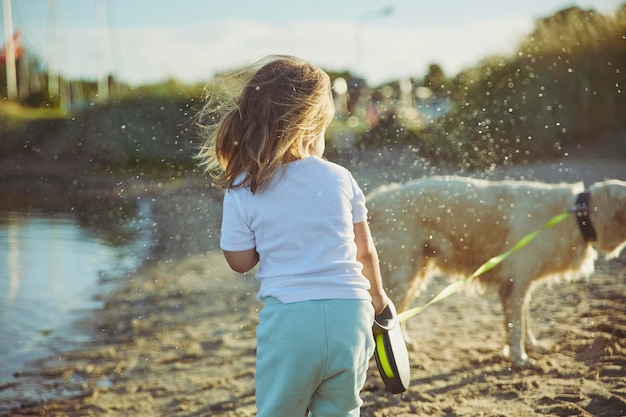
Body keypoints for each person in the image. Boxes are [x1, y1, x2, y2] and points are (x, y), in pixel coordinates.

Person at [196, 54, 388, 417]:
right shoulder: (340, 177)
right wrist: (379, 301)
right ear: (313, 125)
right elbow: (365, 254)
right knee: (341, 408)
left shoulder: (244, 185)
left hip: (291, 323)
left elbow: (239, 262)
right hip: (353, 313)